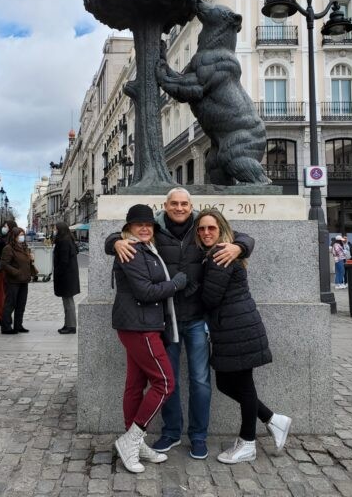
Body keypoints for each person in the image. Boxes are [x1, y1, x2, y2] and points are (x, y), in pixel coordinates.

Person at [106, 187, 254, 460]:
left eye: (184, 204)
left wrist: (239, 246)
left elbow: (239, 235)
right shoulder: (155, 229)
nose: (179, 208)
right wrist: (114, 241)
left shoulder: (201, 226)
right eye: (174, 203)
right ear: (165, 206)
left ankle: (198, 436)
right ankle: (172, 432)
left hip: (197, 318)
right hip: (167, 320)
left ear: (190, 205)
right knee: (168, 379)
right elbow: (125, 234)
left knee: (200, 381)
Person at [195, 209, 291, 463]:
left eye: (211, 228)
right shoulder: (221, 250)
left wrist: (188, 284)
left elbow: (209, 298)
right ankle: (273, 419)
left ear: (221, 229)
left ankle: (248, 442)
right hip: (233, 327)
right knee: (226, 384)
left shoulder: (219, 255)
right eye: (201, 228)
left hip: (237, 328)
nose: (206, 232)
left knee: (244, 386)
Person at [111, 204, 183, 474]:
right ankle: (131, 439)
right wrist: (176, 284)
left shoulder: (146, 247)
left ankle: (135, 442)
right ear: (128, 227)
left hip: (140, 323)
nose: (144, 228)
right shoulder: (131, 250)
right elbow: (144, 291)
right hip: (139, 326)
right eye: (138, 224)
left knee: (135, 383)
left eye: (148, 224)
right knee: (164, 383)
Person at [0, 226, 31, 334]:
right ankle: (6, 327)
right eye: (20, 235)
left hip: (24, 280)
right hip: (13, 281)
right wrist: (16, 272)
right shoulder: (8, 248)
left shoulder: (24, 247)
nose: (22, 237)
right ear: (14, 236)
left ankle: (18, 325)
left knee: (21, 304)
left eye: (23, 235)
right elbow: (4, 264)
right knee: (10, 304)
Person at [53, 221, 80, 334]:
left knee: (68, 302)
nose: (54, 231)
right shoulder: (68, 240)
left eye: (56, 229)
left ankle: (71, 326)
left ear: (60, 230)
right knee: (67, 301)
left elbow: (63, 261)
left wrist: (58, 273)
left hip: (66, 277)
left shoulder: (64, 241)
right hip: (69, 276)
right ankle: (67, 324)